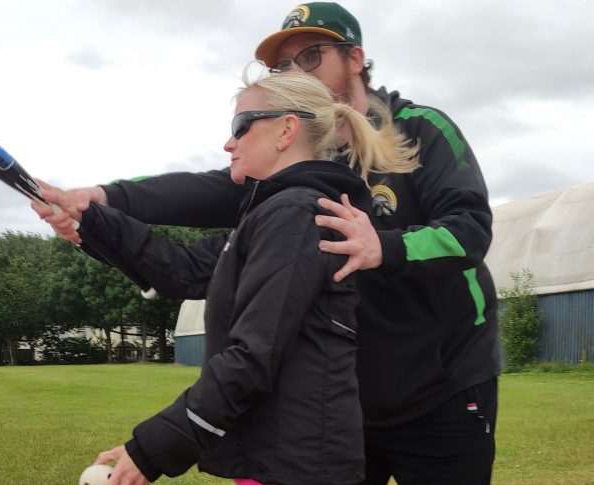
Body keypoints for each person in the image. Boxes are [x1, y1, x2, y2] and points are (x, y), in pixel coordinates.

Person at [36, 4, 501, 484]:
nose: (297, 71)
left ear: (355, 58)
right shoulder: (287, 185)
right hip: (346, 398)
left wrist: (383, 246)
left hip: (439, 386)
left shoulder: (420, 129)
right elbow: (198, 204)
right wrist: (99, 204)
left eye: (311, 56)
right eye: (284, 65)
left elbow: (469, 230)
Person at [60, 72, 418, 485]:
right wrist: (88, 220)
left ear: (286, 129)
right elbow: (183, 270)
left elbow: (252, 356)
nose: (229, 143)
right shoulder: (270, 216)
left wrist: (150, 450)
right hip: (275, 457)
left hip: (299, 467)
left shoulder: (295, 215)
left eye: (240, 127)